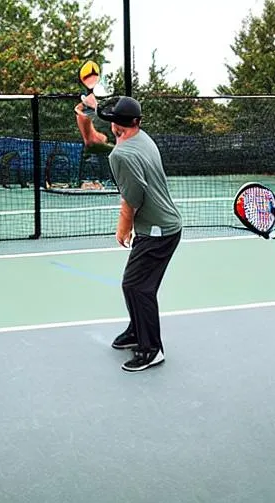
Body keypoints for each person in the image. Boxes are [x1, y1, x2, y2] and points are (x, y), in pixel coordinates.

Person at [78, 95, 182, 372]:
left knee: (138, 287)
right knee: (135, 285)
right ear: (136, 121)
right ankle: (137, 332)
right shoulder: (140, 138)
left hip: (157, 232)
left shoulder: (121, 154)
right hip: (165, 228)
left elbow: (132, 200)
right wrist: (86, 113)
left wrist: (123, 229)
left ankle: (151, 349)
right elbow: (93, 141)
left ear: (115, 126)